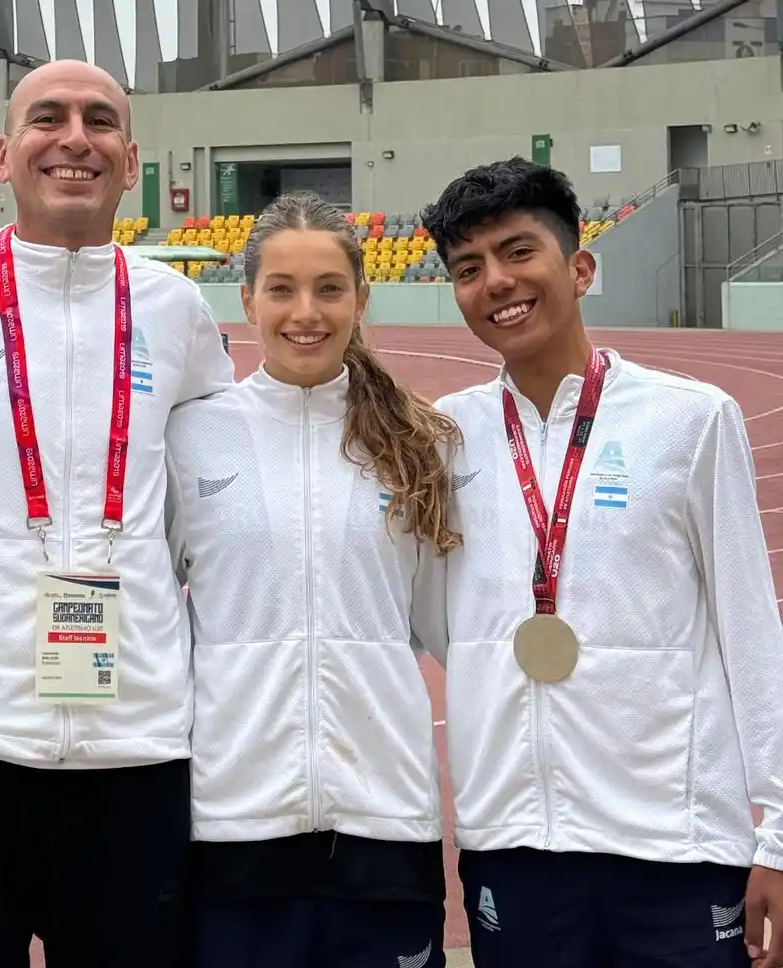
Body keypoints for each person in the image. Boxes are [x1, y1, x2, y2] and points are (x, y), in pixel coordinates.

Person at [0, 59, 234, 967]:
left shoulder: (177, 310)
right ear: (3, 155)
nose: (74, 138)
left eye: (99, 121)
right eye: (46, 119)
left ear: (130, 159)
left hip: (135, 750)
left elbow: (211, 499)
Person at [420, 156, 783, 968]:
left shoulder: (691, 422)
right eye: (468, 268)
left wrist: (780, 834)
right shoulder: (445, 437)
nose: (497, 283)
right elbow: (444, 623)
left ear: (579, 267)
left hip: (678, 844)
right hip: (513, 839)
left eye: (519, 252)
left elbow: (751, 630)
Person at [166, 191, 456, 968]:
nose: (307, 312)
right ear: (248, 298)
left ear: (362, 299)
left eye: (330, 289)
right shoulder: (192, 435)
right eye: (283, 289)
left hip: (385, 821)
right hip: (233, 820)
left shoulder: (415, 447)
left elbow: (451, 629)